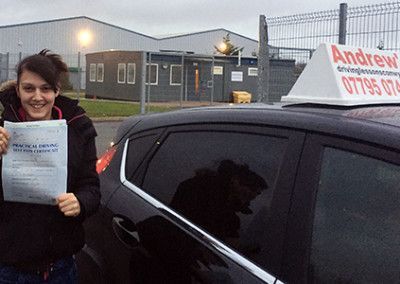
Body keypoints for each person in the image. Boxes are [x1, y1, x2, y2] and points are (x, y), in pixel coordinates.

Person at [0, 50, 100, 283]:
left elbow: (92, 188)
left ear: (56, 90)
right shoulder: (3, 130)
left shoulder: (78, 128)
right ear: (18, 90)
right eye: (29, 88)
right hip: (10, 269)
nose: (37, 97)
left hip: (61, 268)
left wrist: (81, 202)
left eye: (45, 88)